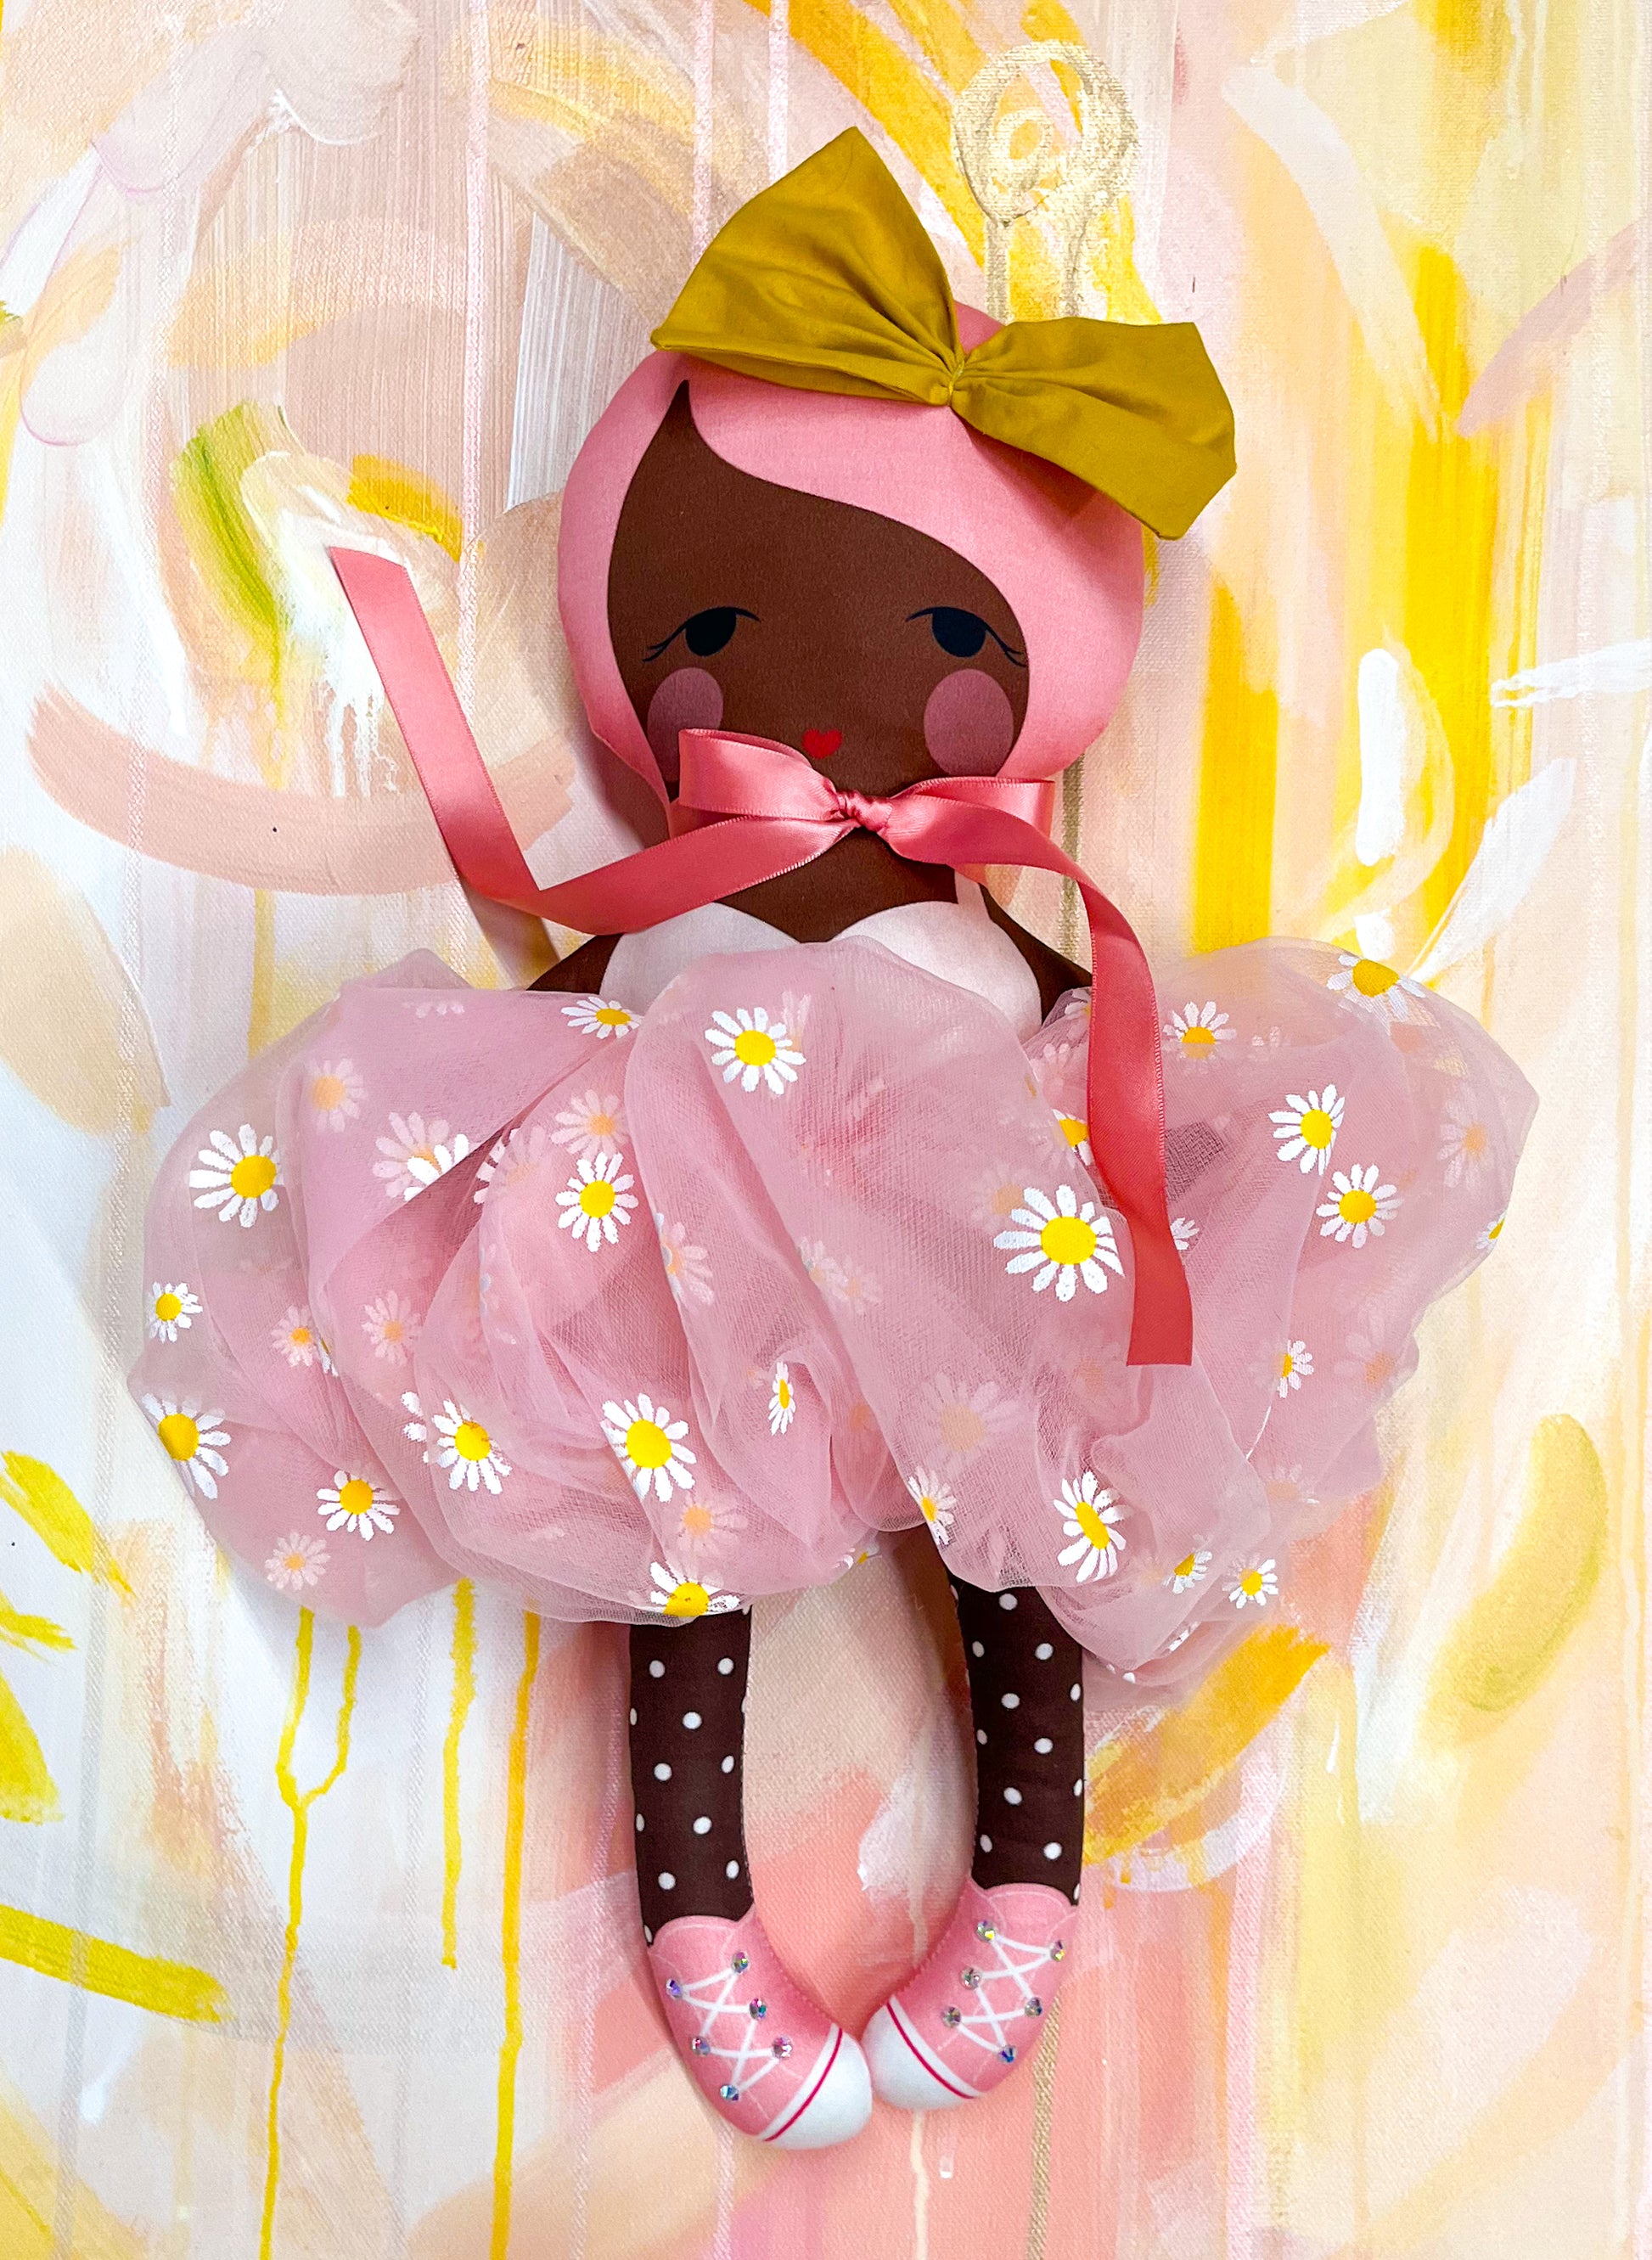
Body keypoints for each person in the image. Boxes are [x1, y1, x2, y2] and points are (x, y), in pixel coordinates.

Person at [132, 132, 1534, 2146]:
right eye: (710, 610)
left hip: (979, 1249)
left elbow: (1098, 1036)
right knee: (677, 1538)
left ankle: (1018, 1900)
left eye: (958, 637)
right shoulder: (685, 906)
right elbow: (566, 1005)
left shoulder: (950, 923)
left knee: (1022, 1527)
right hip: (680, 1274)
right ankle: (708, 1925)